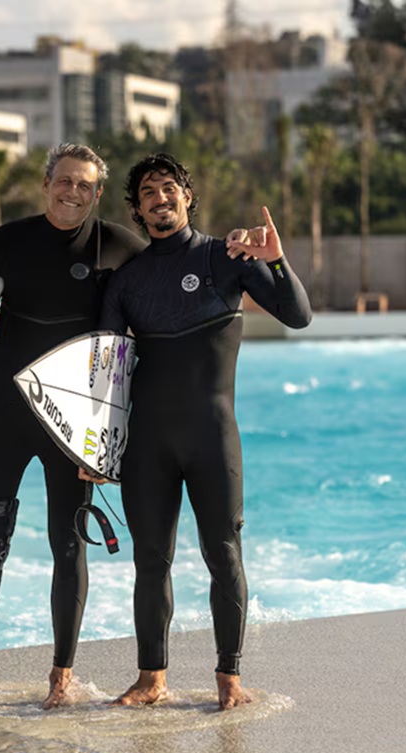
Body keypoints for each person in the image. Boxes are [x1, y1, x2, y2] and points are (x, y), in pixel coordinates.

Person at [0, 143, 146, 710]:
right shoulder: (10, 240)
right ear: (46, 184)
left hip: (74, 422)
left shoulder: (117, 244)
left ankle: (61, 675)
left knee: (69, 547)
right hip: (4, 412)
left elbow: (168, 280)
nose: (73, 192)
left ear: (98, 193)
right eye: (64, 181)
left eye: (85, 186)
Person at [90, 153, 312, 710]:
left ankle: (229, 679)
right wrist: (94, 449)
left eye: (169, 189)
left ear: (188, 197)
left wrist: (277, 261)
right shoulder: (126, 283)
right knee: (150, 560)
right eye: (147, 194)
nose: (159, 199)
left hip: (213, 437)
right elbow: (108, 374)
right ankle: (151, 679)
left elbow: (298, 315)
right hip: (147, 443)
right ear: (137, 211)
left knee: (224, 553)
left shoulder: (226, 257)